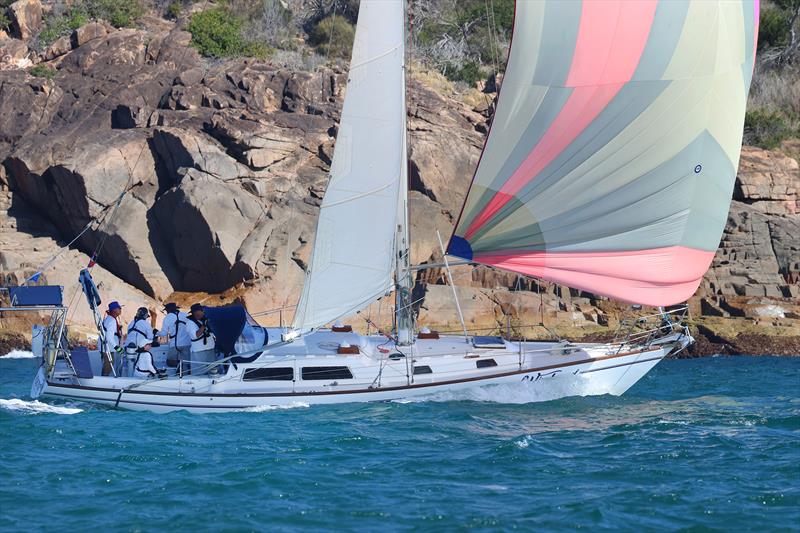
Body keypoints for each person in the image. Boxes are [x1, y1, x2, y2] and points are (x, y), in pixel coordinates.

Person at [184, 303, 216, 375]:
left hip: (210, 348)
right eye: (196, 314)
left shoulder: (204, 320)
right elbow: (196, 335)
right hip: (199, 350)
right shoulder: (190, 323)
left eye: (201, 313)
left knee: (212, 371)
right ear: (193, 313)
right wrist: (204, 325)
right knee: (198, 373)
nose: (200, 315)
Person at [160, 303, 191, 374]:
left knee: (169, 362)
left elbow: (163, 333)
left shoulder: (167, 318)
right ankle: (185, 373)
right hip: (187, 343)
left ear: (168, 310)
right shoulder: (185, 315)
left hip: (174, 344)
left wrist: (156, 333)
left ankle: (179, 367)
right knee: (186, 362)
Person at [101, 301, 123, 376]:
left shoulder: (108, 318)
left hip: (106, 347)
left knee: (107, 366)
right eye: (119, 308)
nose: (120, 310)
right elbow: (109, 337)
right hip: (108, 348)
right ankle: (103, 380)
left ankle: (104, 378)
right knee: (108, 366)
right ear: (114, 310)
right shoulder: (112, 320)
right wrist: (118, 348)